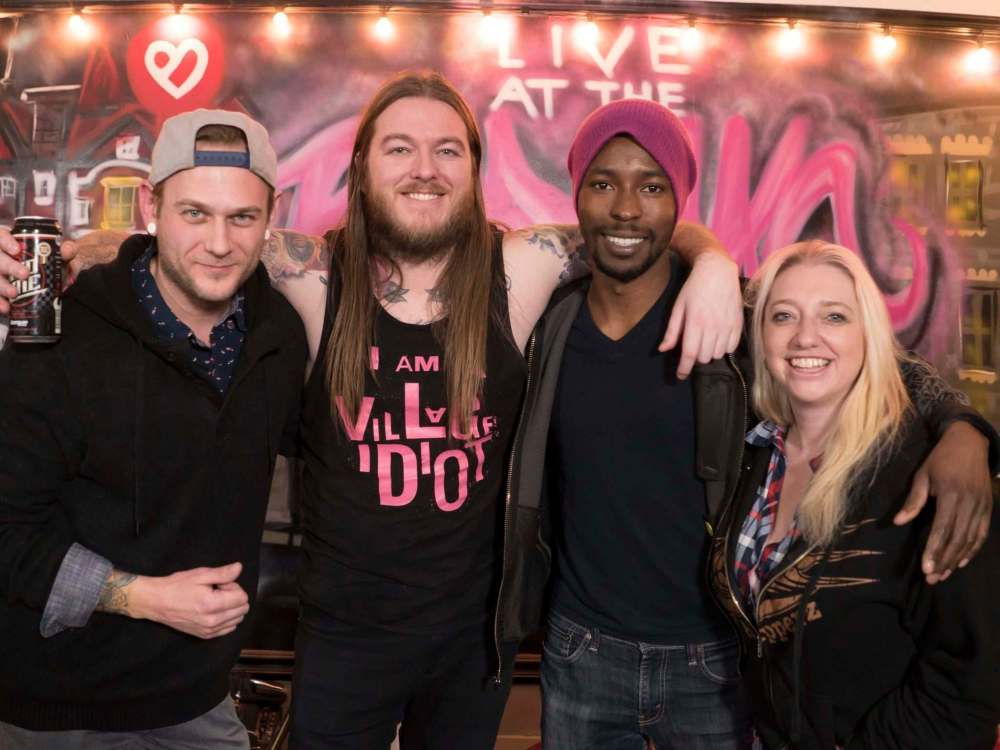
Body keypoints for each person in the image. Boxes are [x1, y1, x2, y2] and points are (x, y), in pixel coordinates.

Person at [0, 72, 743, 748]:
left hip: (473, 647)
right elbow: (194, 242)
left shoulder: (524, 266)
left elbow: (632, 224)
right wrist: (85, 251)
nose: (425, 168)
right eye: (399, 148)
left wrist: (711, 260)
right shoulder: (309, 275)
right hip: (341, 644)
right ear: (363, 169)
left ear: (474, 172)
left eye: (448, 150)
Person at [495, 100, 999, 750]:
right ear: (578, 196)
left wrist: (965, 427)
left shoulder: (734, 315)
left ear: (678, 202)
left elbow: (875, 364)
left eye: (652, 187)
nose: (625, 208)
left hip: (715, 660)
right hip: (579, 650)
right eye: (602, 183)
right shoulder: (551, 325)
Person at [0, 110, 307, 748]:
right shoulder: (60, 335)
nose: (219, 243)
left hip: (196, 697)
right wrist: (141, 597)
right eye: (195, 213)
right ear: (151, 206)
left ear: (269, 219)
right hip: (54, 706)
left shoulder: (278, 338)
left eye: (242, 217)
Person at [710, 241, 1000, 749]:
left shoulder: (929, 476)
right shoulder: (756, 451)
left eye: (835, 317)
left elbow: (969, 684)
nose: (805, 337)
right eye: (783, 316)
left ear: (871, 335)